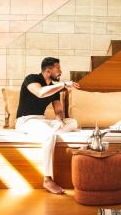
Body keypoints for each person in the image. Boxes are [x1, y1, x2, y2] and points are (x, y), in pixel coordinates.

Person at [15, 57, 80, 194]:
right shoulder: (31, 78)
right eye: (58, 68)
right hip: (25, 121)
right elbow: (40, 92)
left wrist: (59, 120)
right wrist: (63, 84)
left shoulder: (54, 88)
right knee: (50, 134)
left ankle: (52, 132)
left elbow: (59, 110)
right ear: (48, 70)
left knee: (73, 122)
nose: (61, 72)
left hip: (41, 120)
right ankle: (47, 179)